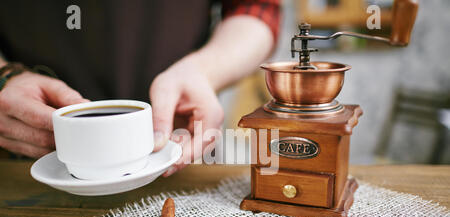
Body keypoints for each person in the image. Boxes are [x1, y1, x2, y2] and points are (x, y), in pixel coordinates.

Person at [0, 0, 280, 176]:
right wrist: (4, 77)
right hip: (19, 162)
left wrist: (204, 71)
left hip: (181, 156)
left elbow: (257, 7)